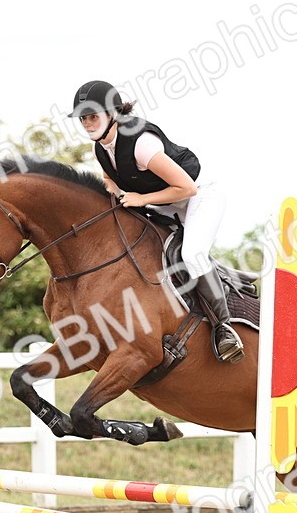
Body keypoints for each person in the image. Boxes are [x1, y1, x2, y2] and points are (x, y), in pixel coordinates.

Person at [67, 80, 244, 364]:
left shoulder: (141, 144)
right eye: (84, 118)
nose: (87, 124)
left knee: (192, 253)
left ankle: (225, 328)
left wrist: (139, 199)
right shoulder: (100, 148)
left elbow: (187, 189)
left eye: (93, 117)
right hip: (166, 201)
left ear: (112, 113)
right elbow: (110, 180)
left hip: (200, 195)